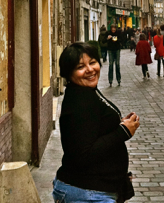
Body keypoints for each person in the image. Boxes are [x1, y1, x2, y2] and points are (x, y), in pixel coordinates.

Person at [52, 42, 140, 203]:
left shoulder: (85, 91)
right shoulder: (80, 101)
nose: (90, 70)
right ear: (69, 73)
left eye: (92, 62)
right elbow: (83, 154)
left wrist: (116, 124)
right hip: (87, 193)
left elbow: (89, 130)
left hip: (93, 191)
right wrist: (123, 132)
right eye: (80, 67)